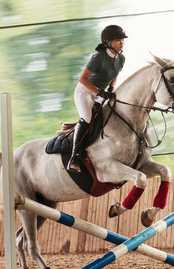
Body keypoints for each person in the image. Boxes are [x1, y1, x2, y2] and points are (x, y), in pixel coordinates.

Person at [67, 25, 128, 173]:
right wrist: (100, 92)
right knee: (87, 118)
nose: (122, 43)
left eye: (122, 40)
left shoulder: (121, 58)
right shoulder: (98, 57)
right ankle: (74, 157)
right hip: (85, 91)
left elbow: (115, 75)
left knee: (108, 114)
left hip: (99, 92)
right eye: (118, 40)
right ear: (108, 42)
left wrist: (111, 90)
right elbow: (82, 79)